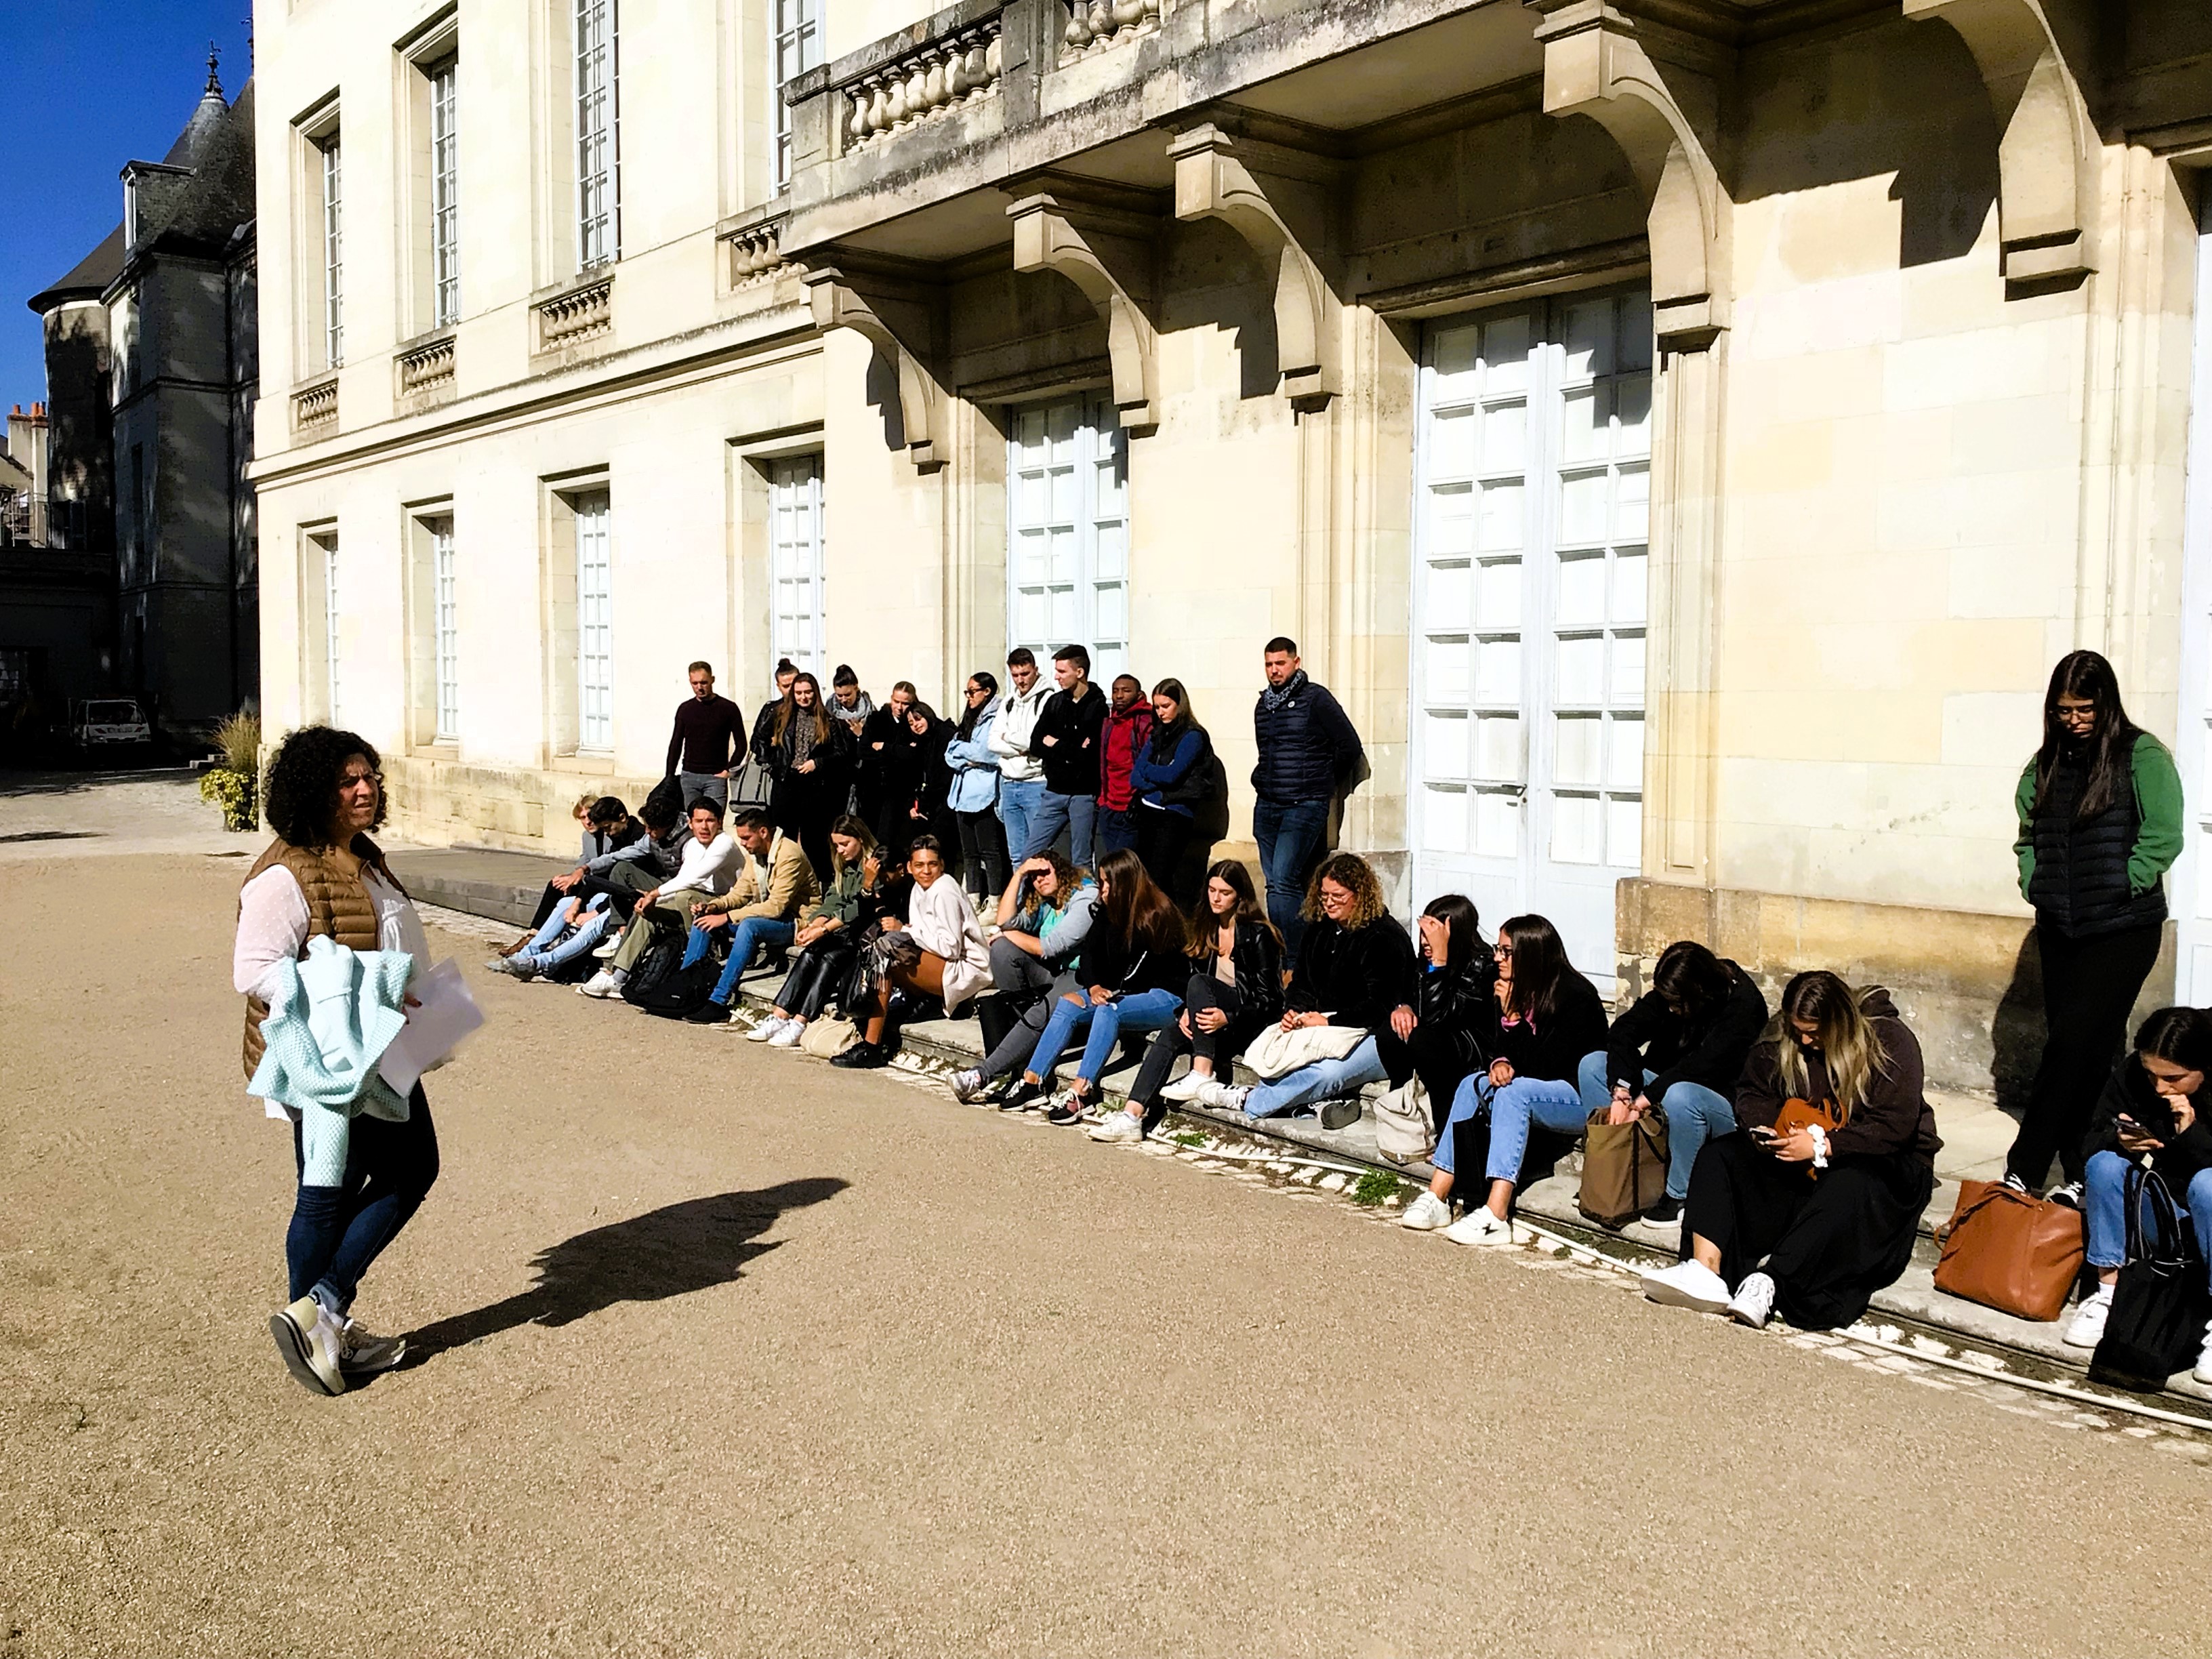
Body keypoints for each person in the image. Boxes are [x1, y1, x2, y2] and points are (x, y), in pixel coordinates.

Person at [233, 726, 436, 1395]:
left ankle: (319, 1322)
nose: (365, 788)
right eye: (348, 780)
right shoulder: (286, 873)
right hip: (324, 1057)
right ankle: (322, 1314)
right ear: (313, 792)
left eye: (370, 776)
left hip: (380, 1046)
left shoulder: (364, 855)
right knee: (339, 1190)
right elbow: (255, 972)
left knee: (390, 1173)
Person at [1640, 972, 1941, 1330]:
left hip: (1883, 1162)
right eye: (1798, 1030)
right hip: (1801, 1156)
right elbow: (1751, 1093)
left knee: (1848, 1184)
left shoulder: (1890, 1040)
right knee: (1722, 1155)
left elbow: (1894, 1126)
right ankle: (1704, 1271)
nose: (1805, 1040)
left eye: (1814, 1032)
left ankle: (1770, 1280)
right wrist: (1767, 1128)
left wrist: (1826, 1145)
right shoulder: (1785, 1040)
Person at [2005, 651, 2184, 1203]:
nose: (2074, 720)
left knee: (2069, 1045)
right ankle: (2087, 1169)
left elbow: (2165, 834)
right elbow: (2027, 836)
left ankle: (2025, 1166)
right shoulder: (2045, 764)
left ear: (2105, 703)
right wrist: (2035, 882)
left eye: (2084, 709)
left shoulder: (2142, 755)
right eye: (2063, 710)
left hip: (2124, 929)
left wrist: (2125, 880)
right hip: (2062, 926)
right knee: (2090, 1049)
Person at [1404, 914, 1609, 1242]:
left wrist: (1514, 1018)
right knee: (1473, 1084)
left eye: (1506, 951)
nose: (1497, 958)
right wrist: (1499, 1061)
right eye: (1498, 949)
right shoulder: (1514, 988)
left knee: (1516, 1093)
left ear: (1532, 954)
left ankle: (1497, 1214)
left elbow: (1549, 1066)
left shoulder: (1575, 996)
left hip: (1577, 1096)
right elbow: (1500, 1049)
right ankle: (1437, 1195)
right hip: (1534, 1085)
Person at [983, 849, 1188, 1124]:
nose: (1100, 889)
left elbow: (1140, 971)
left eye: (1106, 883)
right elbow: (1090, 955)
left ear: (1124, 883)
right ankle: (1033, 1081)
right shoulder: (1107, 909)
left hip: (1163, 995)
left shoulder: (1157, 914)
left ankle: (1083, 1090)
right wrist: (1092, 988)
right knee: (1068, 1003)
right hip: (1120, 991)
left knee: (1109, 1010)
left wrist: (1109, 993)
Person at [1208, 853, 1414, 1126]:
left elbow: (1381, 1004)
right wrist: (1294, 1010)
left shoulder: (1383, 937)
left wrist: (1329, 1020)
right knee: (1276, 1050)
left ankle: (1249, 1099)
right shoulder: (1320, 929)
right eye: (1324, 895)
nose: (1329, 902)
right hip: (1323, 1026)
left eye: (1338, 896)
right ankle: (1313, 1105)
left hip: (1373, 1033)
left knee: (1327, 1073)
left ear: (1359, 895)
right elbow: (1302, 982)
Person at [2062, 1007, 2212, 1381]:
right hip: (2166, 1212)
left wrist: (2191, 1135)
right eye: (2152, 1075)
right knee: (2104, 1165)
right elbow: (2089, 1140)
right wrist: (2120, 1139)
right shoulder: (2133, 1076)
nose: (2160, 1087)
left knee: (2208, 1184)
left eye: (2174, 1078)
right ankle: (2108, 1295)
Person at [1092, 860, 1284, 1143]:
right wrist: (1186, 1011)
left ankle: (1201, 1072)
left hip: (1246, 1024)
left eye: (1225, 892)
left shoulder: (1258, 934)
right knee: (1170, 1035)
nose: (1216, 898)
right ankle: (1131, 1116)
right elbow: (1192, 988)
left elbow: (1271, 1001)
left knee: (1200, 982)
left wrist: (1228, 1017)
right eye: (1212, 890)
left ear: (1240, 896)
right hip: (1210, 1024)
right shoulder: (1206, 928)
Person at [1578, 941, 1768, 1225]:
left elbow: (1701, 1067)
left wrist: (1642, 1100)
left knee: (1681, 1094)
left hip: (1718, 1100)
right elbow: (1624, 1031)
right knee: (1592, 1064)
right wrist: (1622, 1092)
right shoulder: (1675, 994)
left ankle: (1679, 1195)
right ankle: (1610, 1167)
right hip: (1667, 1086)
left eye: (1676, 1004)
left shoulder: (1743, 1007)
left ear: (1697, 994)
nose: (1670, 1010)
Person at [949, 854, 1103, 1100]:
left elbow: (1051, 946)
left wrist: (1005, 934)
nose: (1039, 880)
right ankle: (1022, 1053)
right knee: (1002, 951)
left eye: (1045, 873)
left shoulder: (1085, 896)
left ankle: (981, 1075)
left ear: (1062, 870)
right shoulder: (1046, 900)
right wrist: (1020, 875)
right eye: (1034, 877)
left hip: (1082, 976)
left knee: (1037, 1011)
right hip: (1054, 970)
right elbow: (1006, 921)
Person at [1250, 637, 1365, 967]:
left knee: (1285, 879)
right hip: (1269, 804)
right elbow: (1265, 751)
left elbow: (1349, 746)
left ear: (1296, 663)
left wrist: (1322, 781)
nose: (1274, 671)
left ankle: (1297, 961)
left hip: (1304, 804)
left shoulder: (1316, 699)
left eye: (1281, 664)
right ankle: (1289, 953)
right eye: (1269, 665)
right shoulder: (1264, 705)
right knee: (1276, 885)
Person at [832, 836, 991, 1069]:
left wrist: (905, 930)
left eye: (932, 864)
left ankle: (872, 1047)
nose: (926, 871)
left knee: (886, 960)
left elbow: (951, 947)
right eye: (919, 865)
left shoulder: (944, 890)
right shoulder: (919, 888)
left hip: (966, 969)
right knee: (884, 954)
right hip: (941, 961)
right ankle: (878, 1034)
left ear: (942, 865)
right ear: (909, 867)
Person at [1375, 895, 1494, 1181]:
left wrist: (1440, 962)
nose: (1426, 944)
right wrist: (1402, 1007)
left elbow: (1439, 1018)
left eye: (1433, 935)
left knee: (1423, 1041)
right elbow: (1413, 998)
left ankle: (1445, 1134)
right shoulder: (1425, 962)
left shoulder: (1482, 965)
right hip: (1438, 1038)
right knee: (1391, 1032)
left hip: (1472, 1047)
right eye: (1424, 935)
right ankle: (1405, 1114)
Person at [577, 796, 740, 998]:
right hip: (690, 898)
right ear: (691, 823)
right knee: (648, 913)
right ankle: (618, 976)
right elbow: (683, 879)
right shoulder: (694, 846)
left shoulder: (724, 843)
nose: (704, 827)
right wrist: (650, 902)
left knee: (684, 897)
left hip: (724, 903)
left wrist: (654, 894)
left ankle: (702, 957)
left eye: (710, 821)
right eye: (699, 821)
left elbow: (691, 879)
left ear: (720, 821)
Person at [680, 808, 824, 1022]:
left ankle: (719, 1000)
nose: (744, 844)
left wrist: (727, 917)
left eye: (747, 838)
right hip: (767, 917)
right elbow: (740, 893)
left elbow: (776, 907)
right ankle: (686, 988)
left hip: (797, 922)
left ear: (764, 832)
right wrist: (713, 907)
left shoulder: (789, 854)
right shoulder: (755, 855)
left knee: (749, 926)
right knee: (704, 921)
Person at [751, 819, 884, 1048]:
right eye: (837, 846)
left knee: (830, 958)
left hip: (867, 934)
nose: (840, 851)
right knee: (811, 952)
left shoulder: (874, 866)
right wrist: (815, 925)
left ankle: (801, 1020)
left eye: (845, 844)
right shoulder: (844, 865)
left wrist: (824, 928)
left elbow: (860, 908)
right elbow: (834, 898)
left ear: (860, 839)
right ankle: (780, 1014)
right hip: (842, 930)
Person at [1127, 678, 1214, 903]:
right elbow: (1136, 775)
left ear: (1179, 704)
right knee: (1143, 876)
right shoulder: (1157, 733)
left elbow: (1173, 775)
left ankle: (1170, 929)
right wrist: (1153, 776)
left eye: (1166, 706)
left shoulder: (1193, 735)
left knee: (1161, 877)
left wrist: (1151, 772)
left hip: (1174, 813)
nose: (1161, 712)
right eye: (1157, 707)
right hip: (1147, 811)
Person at [766, 670, 855, 886]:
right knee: (783, 838)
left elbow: (842, 753)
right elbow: (758, 742)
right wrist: (774, 766)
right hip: (787, 782)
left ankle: (820, 884)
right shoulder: (780, 716)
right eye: (798, 693)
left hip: (814, 786)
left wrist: (818, 763)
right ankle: (782, 884)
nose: (803, 697)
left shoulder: (828, 721)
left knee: (814, 841)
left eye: (808, 692)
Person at [1023, 645, 1107, 867]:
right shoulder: (1055, 702)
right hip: (1054, 790)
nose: (1056, 677)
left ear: (1079, 673)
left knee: (1081, 859)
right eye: (1056, 671)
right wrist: (1071, 749)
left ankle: (1084, 903)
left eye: (1062, 672)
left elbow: (1088, 756)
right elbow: (1036, 743)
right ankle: (1025, 901)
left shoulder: (1098, 707)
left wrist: (1056, 743)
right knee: (1030, 856)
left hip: (1083, 793)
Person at [512, 795, 640, 940]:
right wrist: (571, 877)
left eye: (590, 816)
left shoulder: (612, 834)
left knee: (570, 900)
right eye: (583, 818)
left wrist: (581, 880)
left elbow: (609, 863)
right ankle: (533, 933)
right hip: (593, 878)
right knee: (556, 884)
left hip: (603, 880)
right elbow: (584, 858)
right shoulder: (588, 836)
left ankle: (551, 937)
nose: (588, 822)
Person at [944, 670, 1009, 907]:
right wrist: (967, 755)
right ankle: (972, 898)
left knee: (989, 851)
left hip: (985, 793)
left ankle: (994, 901)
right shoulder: (969, 718)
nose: (969, 697)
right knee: (969, 852)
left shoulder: (997, 717)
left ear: (987, 691)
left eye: (972, 692)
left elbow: (988, 752)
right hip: (962, 793)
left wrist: (966, 752)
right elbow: (950, 753)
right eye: (967, 692)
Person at [865, 688, 951, 865]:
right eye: (911, 723)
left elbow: (938, 777)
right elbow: (865, 751)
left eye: (918, 719)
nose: (915, 725)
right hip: (913, 800)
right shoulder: (880, 720)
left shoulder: (942, 734)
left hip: (943, 804)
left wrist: (885, 747)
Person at [989, 648, 1052, 872]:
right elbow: (992, 742)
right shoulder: (1008, 701)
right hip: (1009, 783)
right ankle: (1021, 905)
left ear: (1035, 670)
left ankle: (1041, 904)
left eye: (1025, 674)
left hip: (1036, 783)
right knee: (1016, 855)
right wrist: (1017, 748)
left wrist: (1009, 738)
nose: (1020, 680)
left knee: (1039, 854)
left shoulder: (1047, 699)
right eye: (1015, 675)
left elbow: (1035, 742)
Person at [485, 889, 620, 982]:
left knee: (593, 925)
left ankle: (538, 963)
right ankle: (524, 955)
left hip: (630, 903)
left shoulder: (638, 854)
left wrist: (594, 912)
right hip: (614, 896)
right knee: (565, 903)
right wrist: (576, 903)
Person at [667, 661, 744, 813]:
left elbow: (741, 744)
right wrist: (669, 775)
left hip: (715, 777)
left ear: (712, 680)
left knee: (713, 822)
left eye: (704, 682)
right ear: (690, 682)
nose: (700, 688)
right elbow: (676, 744)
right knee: (694, 823)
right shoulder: (685, 709)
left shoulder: (728, 708)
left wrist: (727, 771)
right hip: (689, 775)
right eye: (695, 683)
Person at [1096, 673, 1155, 856]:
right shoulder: (1110, 722)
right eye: (1115, 691)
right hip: (1109, 805)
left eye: (1126, 691)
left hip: (1133, 807)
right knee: (1113, 862)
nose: (1119, 696)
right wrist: (1104, 801)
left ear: (1139, 695)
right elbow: (1104, 764)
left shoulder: (1146, 722)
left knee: (1125, 864)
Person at [747, 658, 801, 792]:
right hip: (780, 775)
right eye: (786, 686)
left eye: (793, 684)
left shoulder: (812, 709)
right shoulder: (772, 710)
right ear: (778, 686)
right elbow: (756, 742)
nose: (790, 690)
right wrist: (773, 761)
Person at [829, 665, 875, 743]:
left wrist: (862, 734)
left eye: (848, 695)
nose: (844, 700)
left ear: (856, 688)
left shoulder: (870, 710)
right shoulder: (829, 712)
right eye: (839, 696)